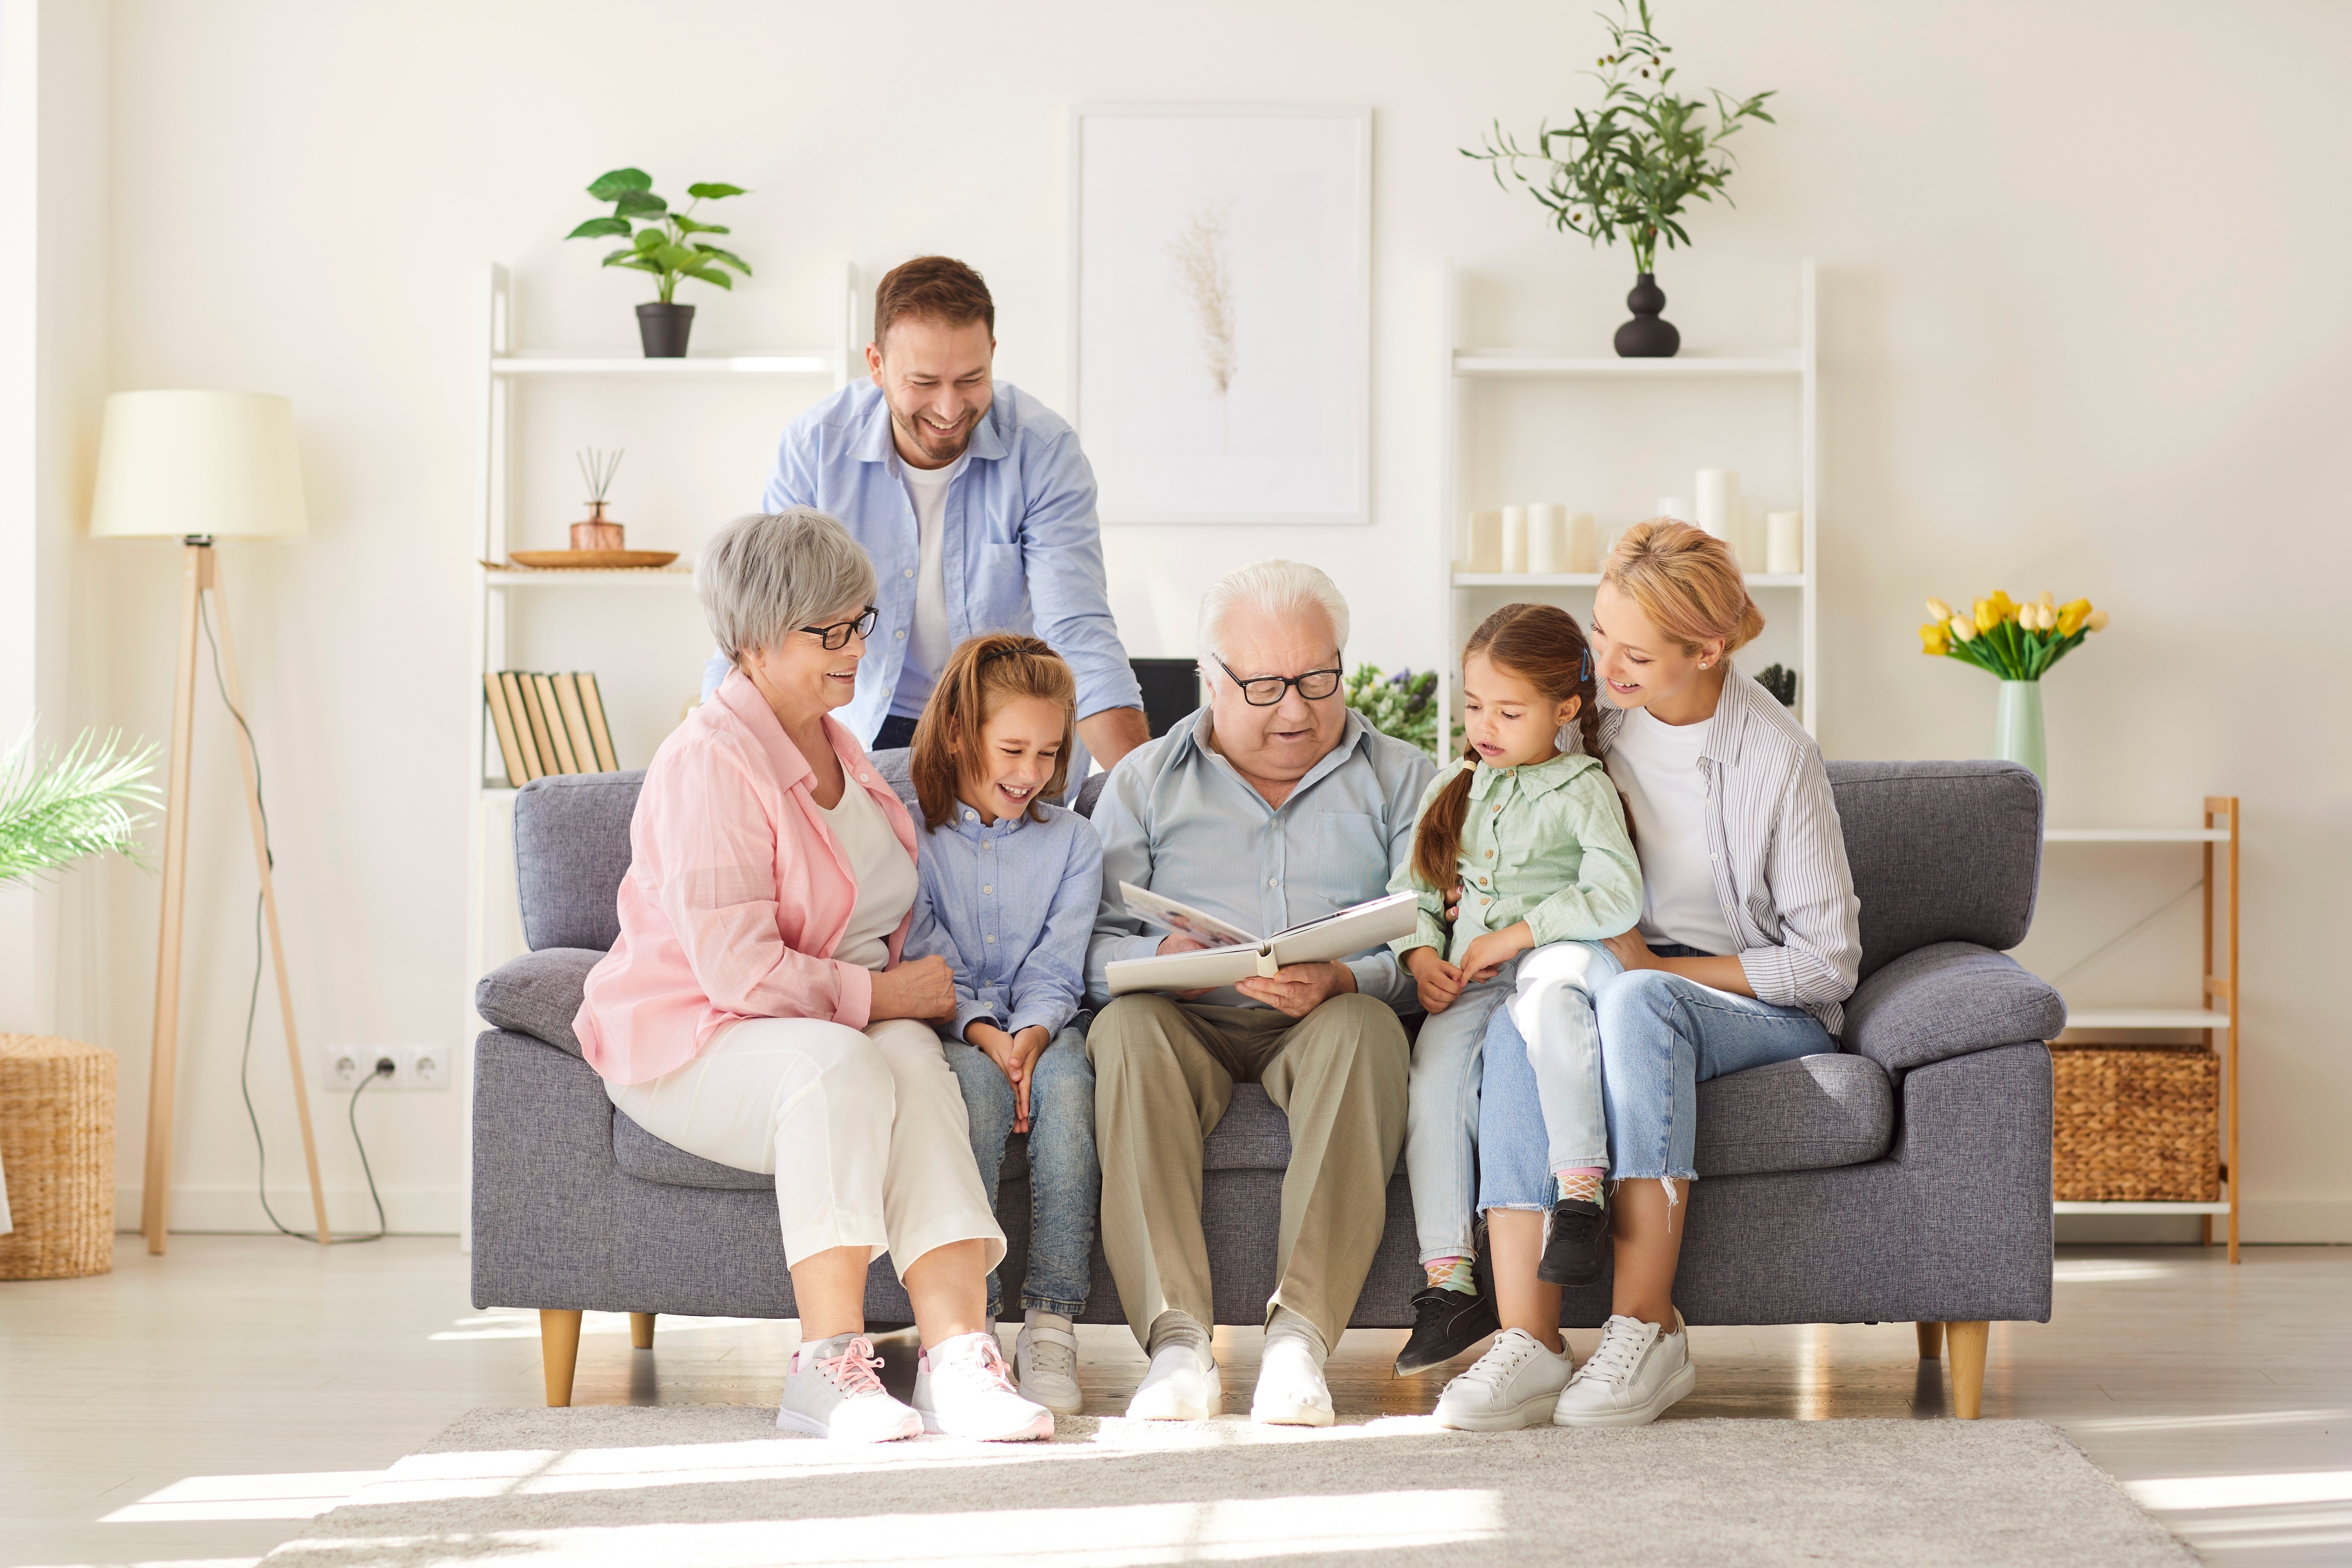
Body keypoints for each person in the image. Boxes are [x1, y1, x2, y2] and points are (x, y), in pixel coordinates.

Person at [577, 508, 1054, 1444]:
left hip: (823, 1022)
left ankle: (961, 1356)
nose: (853, 648)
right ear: (754, 640)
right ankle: (828, 1367)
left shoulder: (838, 746)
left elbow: (881, 919)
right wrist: (883, 996)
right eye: (826, 631)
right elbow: (738, 971)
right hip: (692, 1040)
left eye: (860, 621)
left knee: (916, 1063)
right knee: (842, 1067)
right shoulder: (711, 762)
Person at [1467, 520, 1862, 1429]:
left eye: (1636, 652)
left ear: (1709, 648)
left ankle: (1649, 1326)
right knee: (1522, 1015)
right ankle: (1528, 1340)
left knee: (1640, 997)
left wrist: (1657, 965)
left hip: (1754, 1004)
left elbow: (1824, 963)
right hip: (1617, 983)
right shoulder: (1597, 720)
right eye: (1600, 634)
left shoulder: (1778, 760)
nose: (1605, 665)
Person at [1084, 560, 1436, 1426]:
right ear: (1210, 681)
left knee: (1366, 1029)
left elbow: (1430, 926)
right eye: (1268, 685)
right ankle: (1177, 1346)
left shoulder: (1405, 778)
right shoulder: (1142, 781)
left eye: (1320, 679)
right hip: (1184, 1018)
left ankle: (1299, 1342)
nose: (1298, 710)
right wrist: (1157, 952)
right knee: (1125, 1029)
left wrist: (1352, 972)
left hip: (1326, 1019)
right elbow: (1082, 939)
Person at [701, 255, 1148, 777]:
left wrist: (1147, 801)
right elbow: (764, 616)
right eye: (924, 381)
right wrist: (711, 755)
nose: (949, 407)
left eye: (970, 379)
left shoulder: (1044, 450)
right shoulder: (816, 447)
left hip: (1001, 727)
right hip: (866, 719)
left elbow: (1077, 632)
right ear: (876, 364)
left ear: (993, 355)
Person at [1386, 603, 1643, 1392]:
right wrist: (1422, 950)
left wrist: (1516, 933)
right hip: (1468, 978)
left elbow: (1617, 891)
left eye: (1509, 709)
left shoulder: (1582, 785)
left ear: (1566, 708)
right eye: (1472, 705)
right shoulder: (1455, 783)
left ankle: (1579, 1193)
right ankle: (1450, 1279)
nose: (1484, 725)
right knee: (1431, 1079)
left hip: (1556, 956)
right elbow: (1415, 889)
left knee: (1550, 1003)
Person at [900, 631, 1104, 1418]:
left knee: (1070, 1092)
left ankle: (1051, 1319)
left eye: (1050, 754)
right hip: (953, 1024)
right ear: (961, 734)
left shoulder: (1074, 843)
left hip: (1048, 1026)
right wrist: (987, 1031)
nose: (1031, 774)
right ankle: (966, 1328)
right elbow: (924, 951)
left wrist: (1033, 1034)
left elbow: (1060, 964)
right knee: (976, 1098)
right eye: (1013, 749)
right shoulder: (912, 831)